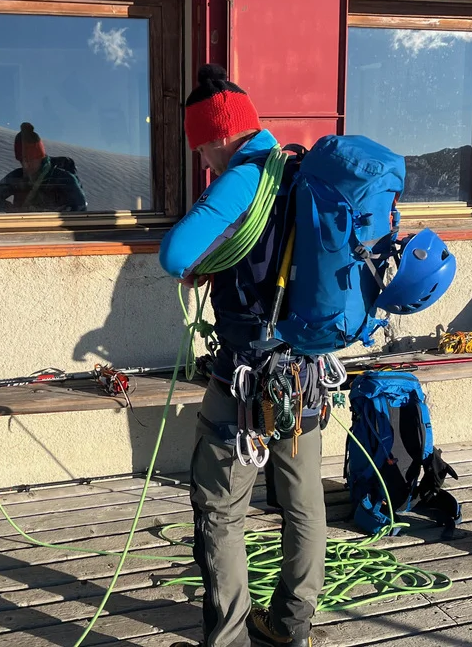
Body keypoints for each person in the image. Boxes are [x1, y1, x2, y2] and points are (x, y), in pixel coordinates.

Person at [158, 64, 324, 647]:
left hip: (247, 376)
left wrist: (204, 259)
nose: (203, 159)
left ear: (220, 134)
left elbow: (176, 254)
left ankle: (227, 638)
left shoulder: (246, 174)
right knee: (303, 502)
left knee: (221, 509)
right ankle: (290, 625)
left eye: (203, 146)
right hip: (306, 372)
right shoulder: (301, 172)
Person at [0, 122, 87, 213]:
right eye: (22, 161)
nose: (26, 165)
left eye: (30, 160)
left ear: (40, 157)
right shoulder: (17, 177)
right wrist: (10, 208)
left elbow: (80, 209)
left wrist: (54, 214)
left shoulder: (63, 178)